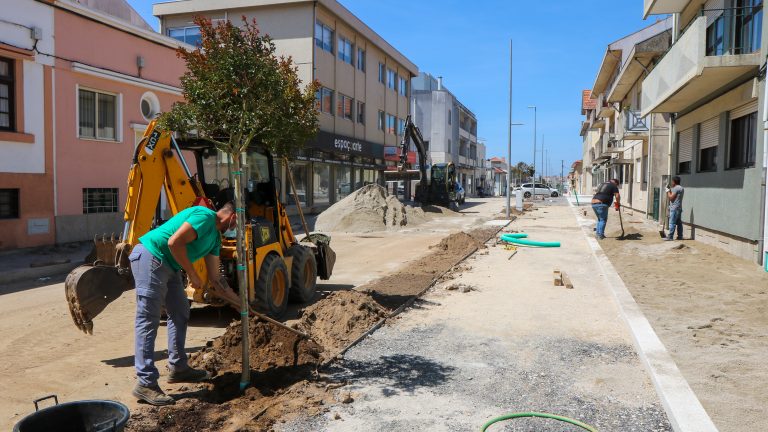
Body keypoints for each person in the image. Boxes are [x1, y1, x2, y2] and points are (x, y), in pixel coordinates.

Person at [128, 202, 239, 406]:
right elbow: (174, 242)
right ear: (233, 216)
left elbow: (217, 280)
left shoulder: (215, 239)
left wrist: (241, 304)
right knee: (148, 319)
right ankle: (145, 383)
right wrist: (192, 273)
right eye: (238, 223)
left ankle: (178, 368)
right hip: (151, 256)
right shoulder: (204, 216)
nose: (236, 229)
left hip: (170, 265)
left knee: (180, 311)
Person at [665, 176, 685, 241]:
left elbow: (671, 198)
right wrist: (670, 190)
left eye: (672, 181)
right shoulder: (681, 188)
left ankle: (670, 237)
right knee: (679, 223)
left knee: (672, 223)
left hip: (674, 208)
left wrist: (668, 191)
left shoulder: (676, 188)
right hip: (679, 208)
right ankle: (680, 236)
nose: (672, 183)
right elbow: (675, 196)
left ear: (674, 181)